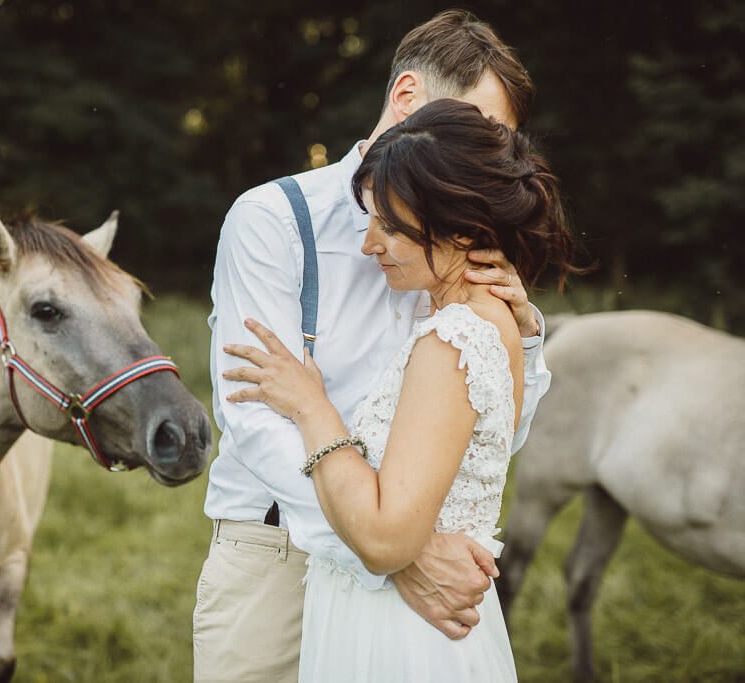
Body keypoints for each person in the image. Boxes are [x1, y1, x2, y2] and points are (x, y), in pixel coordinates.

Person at [196, 10, 550, 683]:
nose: (483, 153)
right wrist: (391, 553)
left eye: (497, 140)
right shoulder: (273, 221)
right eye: (474, 124)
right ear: (408, 96)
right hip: (279, 552)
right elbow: (253, 416)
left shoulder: (462, 243)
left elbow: (488, 445)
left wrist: (521, 338)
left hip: (420, 569)